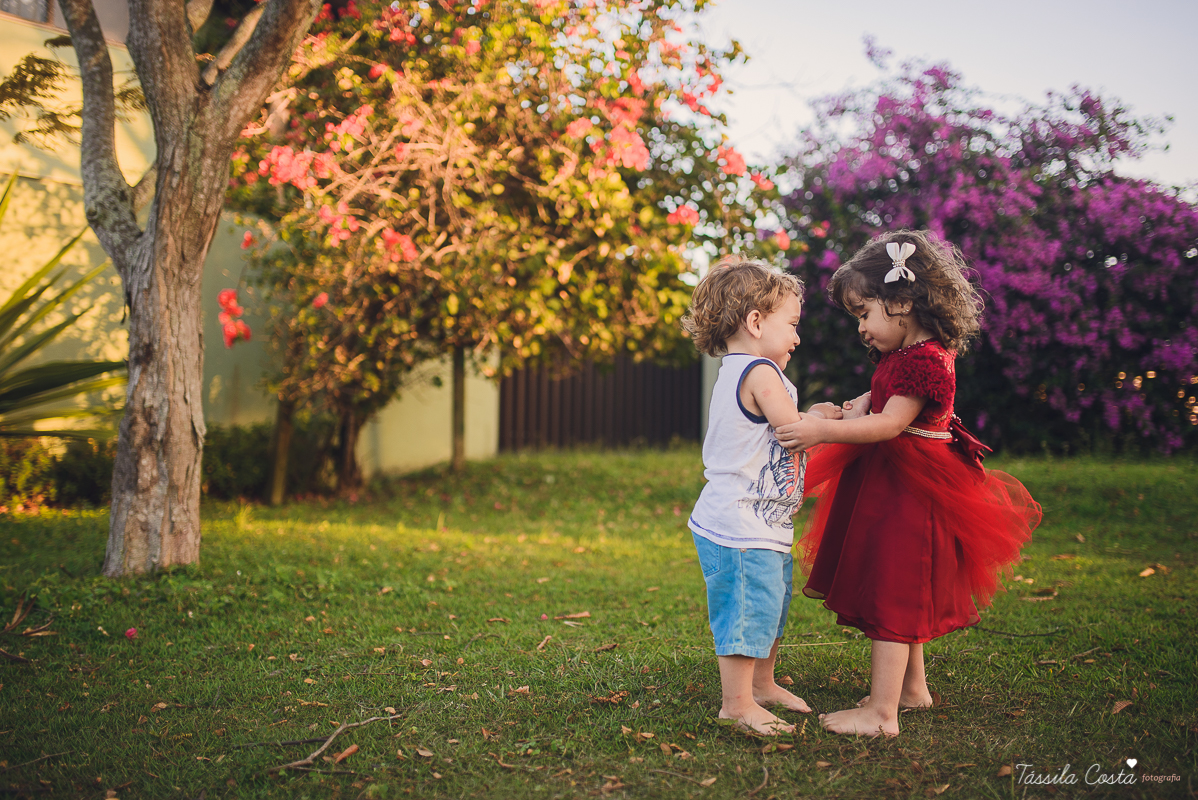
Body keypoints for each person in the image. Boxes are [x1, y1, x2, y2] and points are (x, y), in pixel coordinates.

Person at [773, 230, 1042, 737]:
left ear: (901, 302)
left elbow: (891, 424)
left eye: (864, 313)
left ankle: (881, 713)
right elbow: (883, 399)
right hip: (892, 478)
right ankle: (913, 689)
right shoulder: (907, 355)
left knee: (895, 587)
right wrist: (859, 402)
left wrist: (824, 430)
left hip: (911, 487)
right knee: (901, 582)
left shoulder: (926, 358)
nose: (861, 328)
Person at [681, 256, 868, 736]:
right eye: (792, 325)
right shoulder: (759, 371)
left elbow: (788, 423)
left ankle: (762, 685)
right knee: (746, 611)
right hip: (739, 524)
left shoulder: (751, 371)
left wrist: (818, 414)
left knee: (769, 606)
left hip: (761, 524)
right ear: (756, 322)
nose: (797, 337)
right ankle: (737, 703)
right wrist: (844, 419)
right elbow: (791, 429)